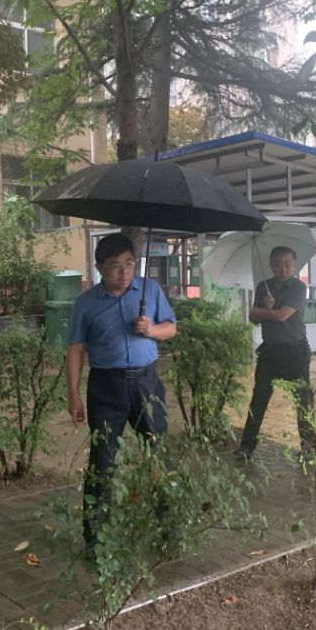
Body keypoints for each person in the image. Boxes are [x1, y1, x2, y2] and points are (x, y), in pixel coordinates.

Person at [66, 233, 177, 558]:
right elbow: (76, 349)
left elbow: (171, 327)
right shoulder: (87, 303)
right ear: (100, 267)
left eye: (129, 263)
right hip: (106, 387)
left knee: (158, 453)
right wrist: (73, 394)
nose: (124, 271)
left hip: (146, 383)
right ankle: (95, 537)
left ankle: (168, 526)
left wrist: (151, 330)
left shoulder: (150, 290)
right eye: (115, 265)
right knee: (102, 460)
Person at [233, 246, 315, 460]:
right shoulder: (263, 286)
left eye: (288, 264)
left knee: (303, 400)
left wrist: (264, 310)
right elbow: (253, 319)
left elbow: (282, 316)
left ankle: (309, 447)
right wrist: (264, 309)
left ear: (295, 265)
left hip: (295, 350)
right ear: (271, 265)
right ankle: (247, 446)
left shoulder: (298, 287)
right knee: (258, 398)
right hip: (269, 351)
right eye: (278, 264)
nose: (283, 269)